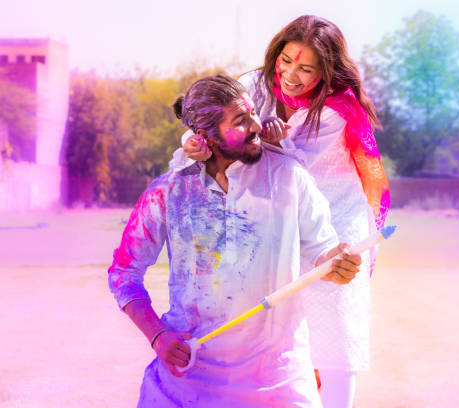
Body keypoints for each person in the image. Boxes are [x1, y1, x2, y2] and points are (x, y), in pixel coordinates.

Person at [173, 15, 390, 408]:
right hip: (280, 220)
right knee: (273, 325)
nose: (291, 75)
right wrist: (194, 142)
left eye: (306, 69)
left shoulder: (337, 108)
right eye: (286, 61)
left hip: (338, 218)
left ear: (326, 72)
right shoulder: (254, 85)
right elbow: (215, 123)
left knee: (335, 332)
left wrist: (271, 143)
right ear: (276, 54)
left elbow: (294, 168)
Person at [108, 74, 362, 408]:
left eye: (253, 113)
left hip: (278, 380)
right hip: (186, 379)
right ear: (205, 137)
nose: (257, 125)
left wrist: (337, 262)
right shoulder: (170, 189)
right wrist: (157, 337)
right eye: (241, 122)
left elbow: (323, 253)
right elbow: (123, 272)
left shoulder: (289, 176)